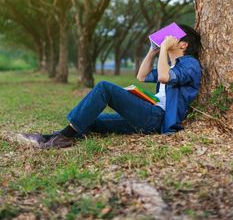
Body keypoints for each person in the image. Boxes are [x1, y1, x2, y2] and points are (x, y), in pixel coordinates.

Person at [17, 24, 202, 149]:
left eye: (172, 36)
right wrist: (153, 50)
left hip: (157, 119)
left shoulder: (190, 64)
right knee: (92, 120)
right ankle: (49, 138)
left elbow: (163, 77)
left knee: (104, 88)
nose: (167, 37)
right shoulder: (170, 65)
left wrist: (163, 49)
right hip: (148, 115)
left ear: (183, 44)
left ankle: (62, 138)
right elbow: (142, 76)